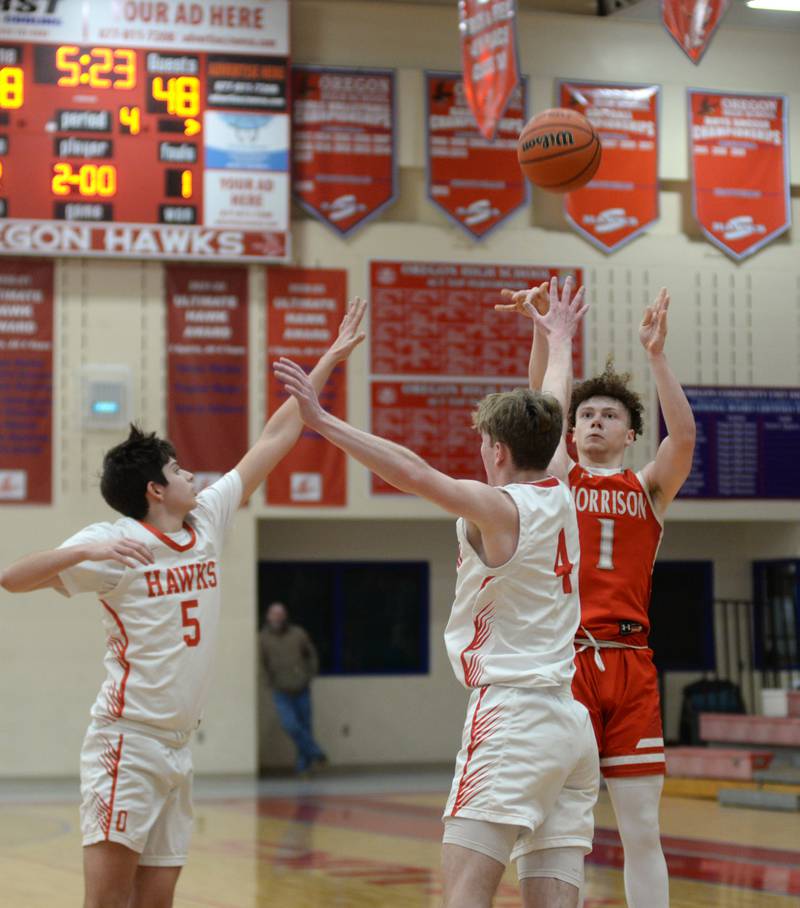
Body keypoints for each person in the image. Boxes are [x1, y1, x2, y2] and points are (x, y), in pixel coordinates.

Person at [0, 300, 366, 908]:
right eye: (177, 468)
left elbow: (275, 437)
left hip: (177, 744)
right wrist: (80, 552)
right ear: (154, 489)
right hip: (128, 740)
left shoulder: (207, 520)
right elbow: (12, 578)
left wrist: (328, 360)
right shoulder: (110, 543)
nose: (191, 471)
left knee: (158, 899)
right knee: (107, 901)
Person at [273, 287, 599, 908]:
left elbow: (414, 472)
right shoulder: (560, 486)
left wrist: (322, 421)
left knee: (463, 898)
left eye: (482, 445)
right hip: (569, 723)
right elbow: (553, 401)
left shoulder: (500, 508)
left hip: (513, 719)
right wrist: (556, 337)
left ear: (496, 452)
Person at [498, 277, 696, 908]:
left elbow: (685, 440)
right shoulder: (560, 478)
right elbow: (539, 405)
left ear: (630, 433)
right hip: (568, 663)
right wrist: (543, 332)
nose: (593, 421)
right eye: (585, 414)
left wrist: (657, 357)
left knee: (642, 829)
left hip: (631, 665)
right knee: (557, 825)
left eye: (609, 415)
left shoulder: (648, 490)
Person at [260, 600, 327, 775]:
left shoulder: (298, 634)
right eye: (274, 614)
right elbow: (262, 663)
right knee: (291, 725)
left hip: (301, 688)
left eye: (280, 613)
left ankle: (303, 767)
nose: (277, 617)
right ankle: (316, 752)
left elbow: (311, 655)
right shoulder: (264, 638)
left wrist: (309, 676)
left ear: (285, 616)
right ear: (268, 616)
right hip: (281, 690)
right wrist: (269, 682)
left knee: (305, 726)